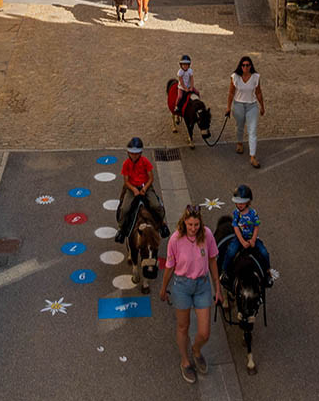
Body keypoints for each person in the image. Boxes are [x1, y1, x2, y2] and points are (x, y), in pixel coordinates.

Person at [159, 205, 223, 385]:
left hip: (202, 285)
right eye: (190, 225)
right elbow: (170, 266)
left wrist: (217, 287)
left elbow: (212, 260)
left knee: (205, 332)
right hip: (182, 286)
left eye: (196, 224)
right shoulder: (175, 239)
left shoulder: (207, 234)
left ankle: (196, 350)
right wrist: (163, 288)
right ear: (184, 223)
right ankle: (185, 361)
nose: (193, 228)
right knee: (183, 327)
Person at [114, 137, 168, 241]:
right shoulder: (126, 164)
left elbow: (151, 178)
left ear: (140, 153)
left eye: (137, 153)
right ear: (128, 152)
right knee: (124, 209)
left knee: (156, 205)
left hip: (145, 187)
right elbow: (126, 181)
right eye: (132, 153)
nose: (134, 155)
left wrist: (145, 189)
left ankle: (162, 224)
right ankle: (121, 229)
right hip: (131, 188)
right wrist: (134, 189)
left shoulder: (145, 161)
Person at [218, 184, 271, 287]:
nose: (240, 205)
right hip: (239, 238)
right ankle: (225, 272)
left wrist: (253, 240)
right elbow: (236, 228)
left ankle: (267, 273)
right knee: (231, 251)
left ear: (248, 201)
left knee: (264, 252)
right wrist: (242, 241)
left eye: (242, 202)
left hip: (252, 238)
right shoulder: (236, 214)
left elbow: (256, 226)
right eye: (237, 203)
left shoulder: (253, 213)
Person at [226, 55, 265, 168]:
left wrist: (262, 106)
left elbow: (258, 92)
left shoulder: (255, 77)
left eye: (247, 65)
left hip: (252, 105)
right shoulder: (235, 77)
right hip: (238, 104)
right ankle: (239, 142)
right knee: (240, 126)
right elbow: (231, 93)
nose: (245, 67)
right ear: (240, 66)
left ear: (250, 66)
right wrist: (228, 107)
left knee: (252, 130)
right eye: (243, 65)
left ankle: (252, 156)